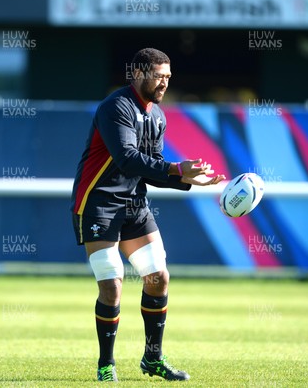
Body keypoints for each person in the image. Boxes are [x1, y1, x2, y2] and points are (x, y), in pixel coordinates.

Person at [70, 47, 225, 382]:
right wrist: (175, 167)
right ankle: (106, 365)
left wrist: (187, 179)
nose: (165, 83)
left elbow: (149, 172)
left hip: (135, 206)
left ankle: (152, 360)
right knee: (112, 283)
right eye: (159, 76)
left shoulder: (157, 116)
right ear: (138, 73)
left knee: (158, 278)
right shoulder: (116, 107)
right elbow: (127, 158)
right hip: (99, 203)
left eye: (169, 77)